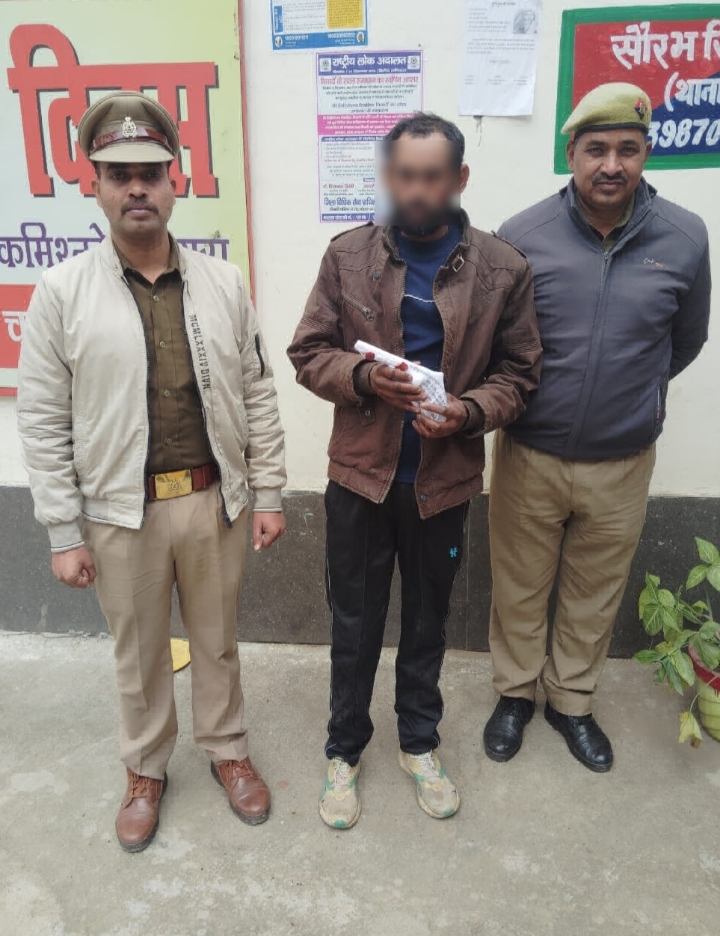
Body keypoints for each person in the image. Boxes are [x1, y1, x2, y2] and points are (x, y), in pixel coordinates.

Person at [17, 92, 287, 851]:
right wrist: (63, 530)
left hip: (210, 500)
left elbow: (258, 390)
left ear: (176, 183)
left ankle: (228, 750)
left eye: (151, 174)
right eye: (119, 175)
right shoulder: (61, 292)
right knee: (138, 655)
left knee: (217, 640)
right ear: (95, 187)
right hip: (118, 513)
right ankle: (145, 769)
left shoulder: (223, 283)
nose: (136, 188)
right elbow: (42, 419)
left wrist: (268, 490)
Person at [288, 113, 542, 828]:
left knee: (428, 622)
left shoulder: (502, 268)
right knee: (355, 622)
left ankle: (418, 744)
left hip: (443, 482)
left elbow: (521, 375)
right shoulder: (348, 256)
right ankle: (344, 750)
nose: (417, 190)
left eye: (432, 176)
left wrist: (467, 412)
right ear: (388, 176)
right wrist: (364, 376)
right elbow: (308, 352)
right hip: (360, 479)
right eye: (404, 175)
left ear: (459, 178)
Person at [484, 82, 711, 772]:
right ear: (571, 155)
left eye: (628, 149)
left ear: (647, 154)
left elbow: (685, 341)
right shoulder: (522, 236)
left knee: (595, 591)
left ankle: (572, 702)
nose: (612, 164)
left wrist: (632, 398)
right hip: (530, 453)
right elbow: (498, 344)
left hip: (622, 462)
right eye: (597, 149)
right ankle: (515, 694)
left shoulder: (685, 238)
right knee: (519, 584)